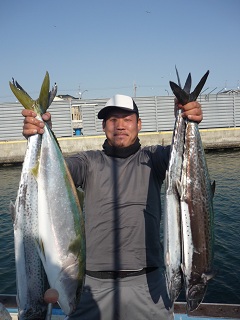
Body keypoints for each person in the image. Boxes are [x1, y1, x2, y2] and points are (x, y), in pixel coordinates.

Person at [22, 94, 203, 320]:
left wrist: (188, 119)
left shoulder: (154, 158)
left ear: (139, 124)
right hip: (90, 287)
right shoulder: (88, 162)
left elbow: (185, 157)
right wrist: (41, 133)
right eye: (112, 120)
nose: (120, 125)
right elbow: (54, 174)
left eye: (127, 119)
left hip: (149, 285)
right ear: (103, 126)